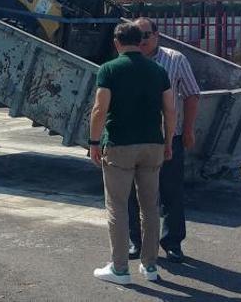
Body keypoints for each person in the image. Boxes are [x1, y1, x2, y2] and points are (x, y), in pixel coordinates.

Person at [90, 22, 176, 285]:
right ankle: (150, 267)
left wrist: (94, 142)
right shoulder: (159, 71)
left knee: (117, 206)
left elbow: (99, 109)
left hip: (119, 145)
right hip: (152, 145)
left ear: (117, 43)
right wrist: (168, 142)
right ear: (140, 42)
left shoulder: (109, 70)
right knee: (150, 207)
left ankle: (119, 269)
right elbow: (171, 110)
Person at [127, 17, 201, 263]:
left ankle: (172, 243)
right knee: (132, 193)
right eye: (137, 36)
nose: (143, 41)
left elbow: (191, 95)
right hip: (134, 139)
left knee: (171, 192)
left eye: (146, 35)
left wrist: (188, 130)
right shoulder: (127, 62)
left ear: (157, 35)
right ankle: (134, 242)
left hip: (169, 139)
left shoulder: (175, 60)